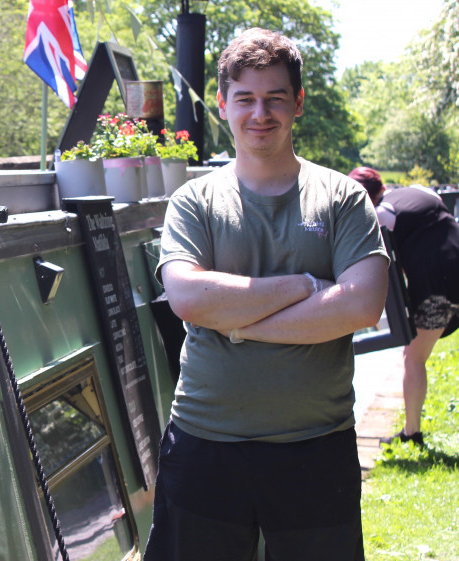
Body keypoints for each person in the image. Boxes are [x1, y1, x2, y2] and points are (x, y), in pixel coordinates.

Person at [145, 28, 389, 561]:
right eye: (246, 99)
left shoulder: (342, 198)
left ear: (297, 103)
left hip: (316, 451)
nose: (261, 113)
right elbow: (187, 295)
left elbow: (361, 304)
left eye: (275, 98)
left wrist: (233, 319)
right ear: (222, 105)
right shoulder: (194, 201)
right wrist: (304, 286)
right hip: (205, 444)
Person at [348, 166, 459, 447]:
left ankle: (412, 433)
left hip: (437, 284)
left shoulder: (381, 214)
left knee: (414, 357)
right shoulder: (419, 191)